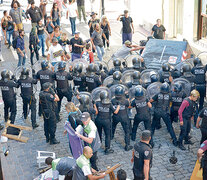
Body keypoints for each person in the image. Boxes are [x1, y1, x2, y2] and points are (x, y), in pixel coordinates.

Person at [150, 82, 178, 146]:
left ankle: (150, 141)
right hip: (165, 112)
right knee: (170, 127)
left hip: (157, 111)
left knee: (152, 127)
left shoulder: (158, 94)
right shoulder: (169, 95)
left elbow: (151, 100)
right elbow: (172, 101)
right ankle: (175, 141)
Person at [111, 86, 133, 151]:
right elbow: (129, 106)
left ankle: (111, 136)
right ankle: (127, 145)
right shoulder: (125, 101)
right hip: (124, 117)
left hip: (116, 116)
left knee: (113, 126)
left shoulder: (113, 100)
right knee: (127, 131)